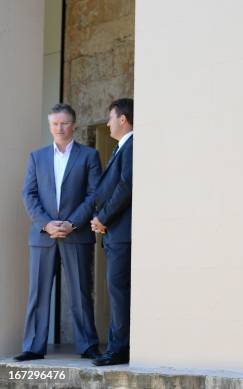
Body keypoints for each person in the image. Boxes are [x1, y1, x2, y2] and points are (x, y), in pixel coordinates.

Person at [15, 103, 101, 362]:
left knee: (81, 292)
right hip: (43, 236)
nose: (59, 128)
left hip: (77, 233)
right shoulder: (36, 157)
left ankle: (87, 345)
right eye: (55, 124)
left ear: (73, 124)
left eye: (64, 123)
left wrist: (72, 223)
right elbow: (28, 194)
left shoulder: (89, 156)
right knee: (38, 293)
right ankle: (33, 346)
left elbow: (94, 193)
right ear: (50, 126)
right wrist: (46, 223)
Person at [90, 98, 134, 366]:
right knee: (116, 290)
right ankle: (117, 346)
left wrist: (103, 217)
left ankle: (118, 350)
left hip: (121, 231)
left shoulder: (133, 145)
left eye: (110, 117)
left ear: (123, 119)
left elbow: (126, 185)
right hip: (114, 232)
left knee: (118, 291)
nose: (107, 123)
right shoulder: (122, 147)